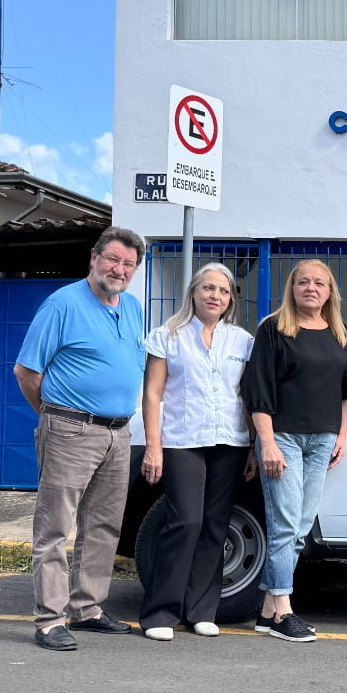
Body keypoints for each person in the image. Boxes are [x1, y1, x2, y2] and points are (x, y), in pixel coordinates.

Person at [13, 228, 147, 651]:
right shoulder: (63, 304)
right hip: (70, 427)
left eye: (128, 264)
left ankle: (87, 609)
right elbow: (26, 372)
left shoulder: (133, 307)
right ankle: (50, 620)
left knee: (103, 526)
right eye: (112, 259)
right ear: (94, 257)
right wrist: (56, 418)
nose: (119, 269)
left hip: (118, 431)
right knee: (55, 527)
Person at [137, 262, 256, 642]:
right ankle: (160, 612)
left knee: (214, 524)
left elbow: (247, 396)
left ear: (230, 300)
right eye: (207, 288)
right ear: (193, 292)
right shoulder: (167, 335)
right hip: (181, 440)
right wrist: (153, 447)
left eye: (222, 291)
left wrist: (253, 444)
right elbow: (153, 393)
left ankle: (201, 610)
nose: (214, 296)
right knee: (184, 521)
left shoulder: (242, 341)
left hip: (230, 442)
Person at [242, 259, 347, 644]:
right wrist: (267, 441)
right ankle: (283, 611)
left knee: (301, 527)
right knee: (285, 524)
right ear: (292, 288)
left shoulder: (337, 333)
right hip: (283, 436)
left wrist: (341, 431)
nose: (311, 288)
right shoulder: (274, 329)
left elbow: (342, 390)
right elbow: (258, 390)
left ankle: (268, 611)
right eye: (303, 281)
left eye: (319, 283)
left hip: (322, 439)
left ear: (329, 291)